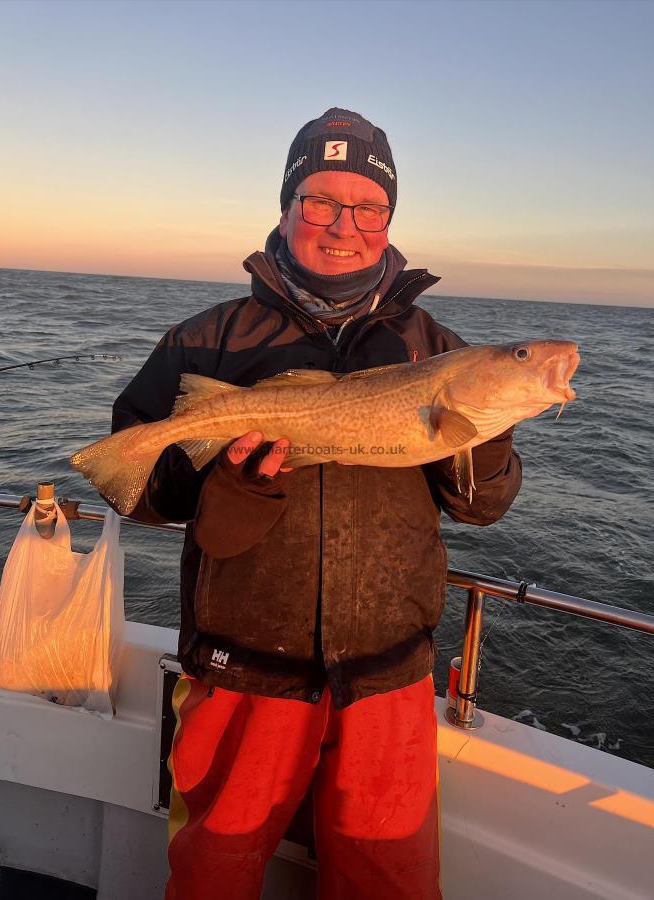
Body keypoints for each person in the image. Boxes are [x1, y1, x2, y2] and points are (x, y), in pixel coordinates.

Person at [111, 108, 522, 900]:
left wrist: (486, 433)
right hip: (241, 666)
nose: (345, 226)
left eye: (369, 206)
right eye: (321, 201)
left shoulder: (435, 349)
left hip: (388, 671)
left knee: (388, 879)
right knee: (212, 871)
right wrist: (231, 481)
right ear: (286, 205)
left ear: (390, 218)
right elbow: (145, 495)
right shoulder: (206, 339)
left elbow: (480, 508)